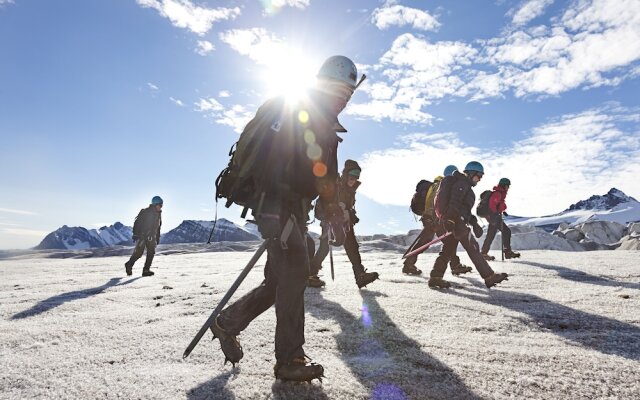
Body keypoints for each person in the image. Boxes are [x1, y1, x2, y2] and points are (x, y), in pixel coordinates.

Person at [210, 56, 363, 382]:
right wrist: (270, 211)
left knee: (280, 280)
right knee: (295, 271)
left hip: (294, 213)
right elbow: (276, 161)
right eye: (338, 90)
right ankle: (289, 359)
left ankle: (228, 322)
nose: (343, 98)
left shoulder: (327, 129)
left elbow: (324, 182)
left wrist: (332, 212)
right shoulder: (299, 113)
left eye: (348, 94)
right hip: (276, 209)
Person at [430, 161, 509, 289]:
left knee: (448, 250)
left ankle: (435, 277)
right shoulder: (462, 184)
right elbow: (454, 202)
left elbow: (463, 209)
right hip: (455, 220)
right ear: (471, 173)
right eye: (478, 176)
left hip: (452, 220)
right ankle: (489, 276)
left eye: (481, 177)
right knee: (472, 246)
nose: (479, 179)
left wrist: (474, 222)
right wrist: (450, 219)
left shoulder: (463, 185)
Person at [307, 160, 379, 289]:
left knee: (352, 247)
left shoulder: (350, 190)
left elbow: (347, 207)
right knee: (324, 248)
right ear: (346, 174)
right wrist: (329, 212)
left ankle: (360, 275)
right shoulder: (334, 185)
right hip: (329, 223)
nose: (354, 179)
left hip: (345, 223)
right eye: (352, 176)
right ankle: (310, 275)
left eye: (357, 176)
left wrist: (351, 215)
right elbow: (321, 205)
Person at [402, 165, 472, 276]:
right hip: (434, 218)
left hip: (430, 218)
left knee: (442, 241)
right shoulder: (443, 185)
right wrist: (434, 218)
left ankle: (409, 263)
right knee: (448, 241)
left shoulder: (438, 184)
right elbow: (435, 203)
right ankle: (409, 264)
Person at [481, 178, 521, 260]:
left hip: (494, 217)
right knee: (504, 232)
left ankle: (484, 253)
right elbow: (492, 204)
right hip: (494, 217)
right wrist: (495, 213)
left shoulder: (500, 193)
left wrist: (502, 211)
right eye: (507, 186)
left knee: (493, 234)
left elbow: (498, 205)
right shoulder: (498, 193)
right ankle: (507, 252)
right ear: (504, 185)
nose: (508, 188)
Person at [125, 196, 163, 277]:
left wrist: (157, 237)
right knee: (138, 254)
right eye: (160, 205)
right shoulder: (146, 212)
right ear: (155, 205)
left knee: (151, 253)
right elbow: (137, 223)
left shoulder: (158, 214)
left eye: (161, 205)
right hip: (142, 236)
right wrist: (135, 234)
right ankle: (129, 265)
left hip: (151, 237)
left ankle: (146, 270)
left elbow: (158, 227)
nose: (161, 207)